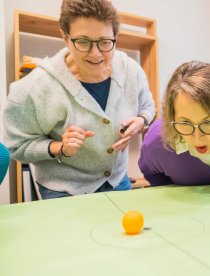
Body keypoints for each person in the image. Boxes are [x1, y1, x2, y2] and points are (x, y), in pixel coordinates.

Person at [2, 0, 155, 199]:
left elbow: (147, 107)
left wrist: (141, 121)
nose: (96, 53)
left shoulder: (131, 71)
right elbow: (16, 147)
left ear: (115, 37)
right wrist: (59, 148)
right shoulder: (33, 88)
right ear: (65, 37)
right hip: (64, 190)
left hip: (118, 180)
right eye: (83, 41)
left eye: (105, 42)